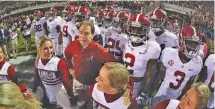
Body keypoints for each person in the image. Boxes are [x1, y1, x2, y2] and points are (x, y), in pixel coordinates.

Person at [64, 20, 116, 106]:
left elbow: (113, 63)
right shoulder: (73, 45)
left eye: (86, 33)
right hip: (78, 81)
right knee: (79, 103)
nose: (83, 36)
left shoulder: (98, 49)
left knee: (93, 105)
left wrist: (103, 77)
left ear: (92, 35)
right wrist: (70, 68)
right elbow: (67, 55)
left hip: (93, 85)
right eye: (81, 32)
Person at [151, 25, 203, 106]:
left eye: (195, 43)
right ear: (181, 41)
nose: (193, 46)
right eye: (190, 42)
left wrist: (182, 98)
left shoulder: (197, 63)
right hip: (160, 94)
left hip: (176, 98)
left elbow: (189, 83)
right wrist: (152, 91)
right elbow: (159, 74)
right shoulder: (168, 53)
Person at [32, 36, 76, 108]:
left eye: (51, 47)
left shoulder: (59, 63)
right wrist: (33, 91)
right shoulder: (38, 61)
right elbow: (36, 78)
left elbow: (67, 84)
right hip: (48, 97)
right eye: (46, 48)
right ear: (39, 50)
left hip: (61, 100)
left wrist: (72, 100)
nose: (49, 51)